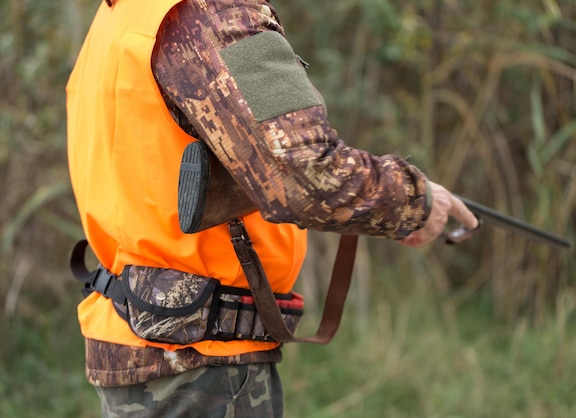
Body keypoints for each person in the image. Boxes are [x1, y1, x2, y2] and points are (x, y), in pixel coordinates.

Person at [66, 0, 478, 416]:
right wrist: (413, 200)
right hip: (202, 367)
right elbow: (302, 171)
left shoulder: (119, 16)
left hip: (139, 346)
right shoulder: (214, 13)